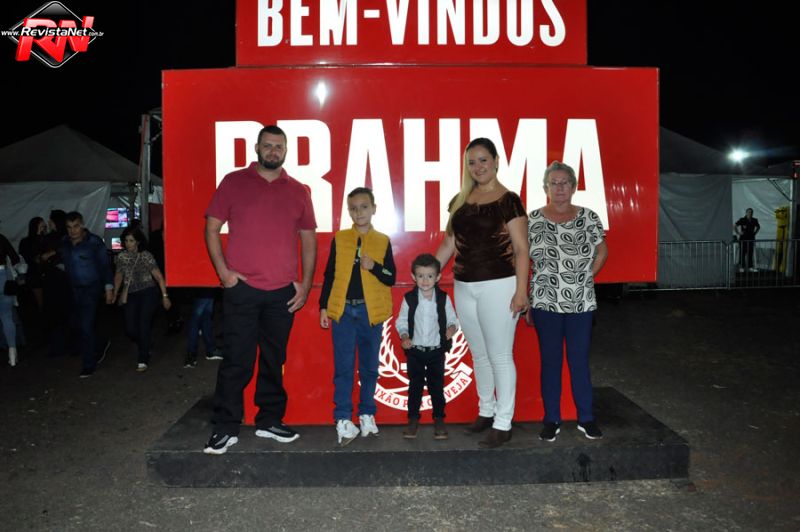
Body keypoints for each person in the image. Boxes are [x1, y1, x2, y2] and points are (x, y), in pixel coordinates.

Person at [203, 124, 317, 455]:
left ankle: (269, 420)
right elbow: (212, 228)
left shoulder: (298, 190)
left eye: (279, 146)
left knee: (273, 360)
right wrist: (224, 273)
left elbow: (308, 238)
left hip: (282, 293)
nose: (273, 151)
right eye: (267, 145)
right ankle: (226, 426)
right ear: (256, 148)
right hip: (243, 290)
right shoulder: (233, 182)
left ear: (286, 151)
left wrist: (306, 283)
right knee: (236, 361)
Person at [435, 137, 529, 449]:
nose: (477, 167)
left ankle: (504, 422)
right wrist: (428, 272)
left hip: (500, 285)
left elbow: (521, 249)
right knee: (479, 354)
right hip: (464, 286)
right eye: (472, 162)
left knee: (500, 355)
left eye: (483, 160)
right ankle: (486, 411)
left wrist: (521, 291)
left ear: (496, 161)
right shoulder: (460, 200)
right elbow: (449, 244)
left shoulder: (509, 200)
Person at [528, 161, 608, 442]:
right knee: (550, 362)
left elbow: (602, 251)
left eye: (564, 182)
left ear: (573, 187)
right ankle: (551, 419)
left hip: (581, 304)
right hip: (545, 303)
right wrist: (524, 296)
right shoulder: (532, 220)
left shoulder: (589, 217)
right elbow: (522, 258)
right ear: (546, 188)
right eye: (554, 182)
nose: (559, 187)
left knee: (579, 361)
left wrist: (586, 277)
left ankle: (586, 418)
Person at [319, 187, 396, 446]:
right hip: (342, 311)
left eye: (364, 207)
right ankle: (342, 418)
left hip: (370, 312)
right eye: (353, 208)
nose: (359, 212)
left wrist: (374, 267)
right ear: (348, 211)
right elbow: (329, 274)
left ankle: (366, 414)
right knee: (343, 367)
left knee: (370, 367)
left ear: (374, 209)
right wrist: (323, 306)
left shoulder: (383, 240)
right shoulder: (340, 239)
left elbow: (391, 277)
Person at [395, 253, 458, 440]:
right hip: (415, 351)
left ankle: (439, 419)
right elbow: (401, 321)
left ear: (438, 277)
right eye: (420, 276)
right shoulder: (409, 298)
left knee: (436, 387)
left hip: (436, 351)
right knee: (414, 387)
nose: (425, 280)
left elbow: (453, 319)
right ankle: (413, 420)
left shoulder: (443, 298)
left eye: (430, 276)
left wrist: (451, 328)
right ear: (413, 277)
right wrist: (404, 336)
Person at [59, 211, 114, 378]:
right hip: (73, 289)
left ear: (82, 225)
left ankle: (89, 364)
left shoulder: (93, 242)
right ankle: (100, 344)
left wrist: (109, 288)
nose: (73, 230)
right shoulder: (65, 242)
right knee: (76, 324)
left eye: (76, 226)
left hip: (91, 289)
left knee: (86, 325)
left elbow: (105, 266)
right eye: (69, 227)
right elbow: (66, 263)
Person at [112, 227, 171, 372]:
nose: (128, 243)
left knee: (144, 323)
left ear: (138, 241)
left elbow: (158, 276)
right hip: (130, 293)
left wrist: (165, 296)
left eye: (131, 241)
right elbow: (119, 276)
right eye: (126, 240)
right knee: (130, 329)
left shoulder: (146, 255)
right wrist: (115, 293)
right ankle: (145, 342)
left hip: (147, 292)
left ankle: (143, 358)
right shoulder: (121, 257)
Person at [184, 287, 223, 368]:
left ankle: (210, 349)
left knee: (206, 317)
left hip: (205, 287)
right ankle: (191, 354)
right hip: (204, 286)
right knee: (196, 319)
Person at [1, 231, 22, 366]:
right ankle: (12, 352)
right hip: (3, 276)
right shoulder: (1, 238)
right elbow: (15, 258)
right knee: (7, 316)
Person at [18, 217, 47, 311]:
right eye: (41, 223)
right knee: (37, 301)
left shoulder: (45, 239)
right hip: (33, 274)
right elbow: (24, 257)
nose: (44, 225)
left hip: (44, 273)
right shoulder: (26, 241)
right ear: (36, 225)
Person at [734, 208, 760, 272]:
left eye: (751, 212)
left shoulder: (754, 220)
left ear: (752, 213)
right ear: (746, 212)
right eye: (748, 212)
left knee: (750, 253)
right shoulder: (742, 219)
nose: (750, 213)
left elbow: (758, 227)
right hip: (743, 239)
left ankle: (750, 266)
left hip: (751, 239)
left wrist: (755, 233)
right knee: (742, 253)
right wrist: (738, 233)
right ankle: (742, 267)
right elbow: (734, 225)